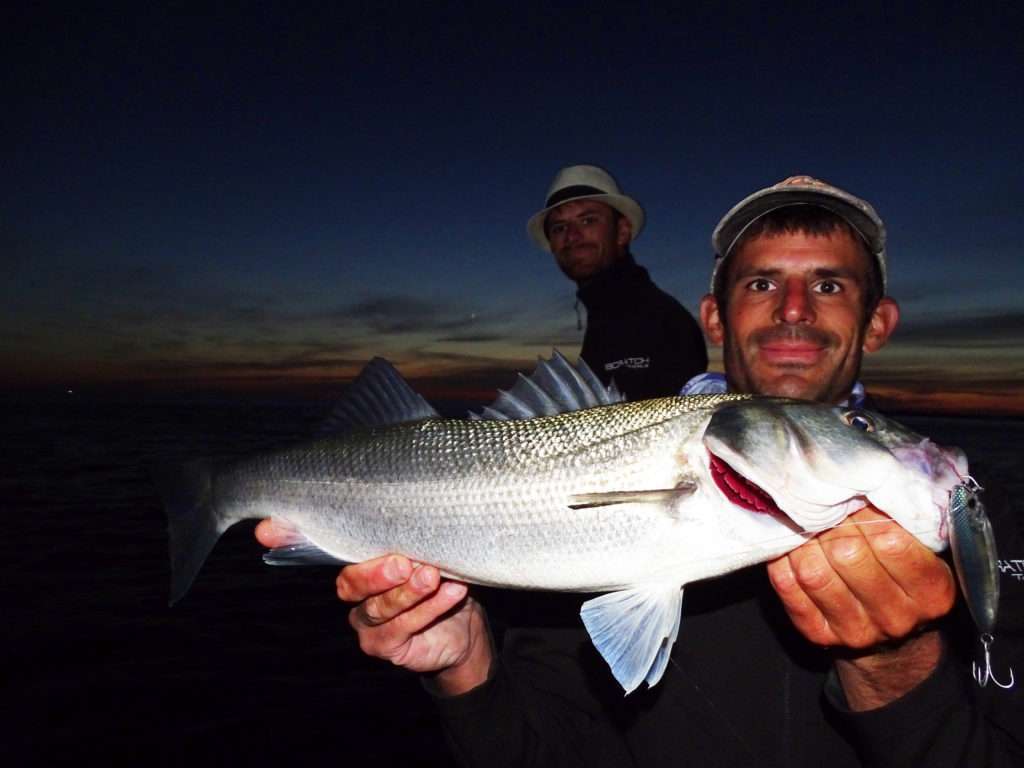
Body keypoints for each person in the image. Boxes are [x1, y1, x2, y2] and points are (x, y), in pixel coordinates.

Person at [256, 176, 1022, 766]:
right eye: (761, 283)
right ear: (714, 319)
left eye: (829, 283)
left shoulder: (990, 530)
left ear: (877, 323)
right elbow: (536, 750)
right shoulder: (643, 498)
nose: (793, 308)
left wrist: (897, 671)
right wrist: (466, 665)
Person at [526, 164, 707, 401]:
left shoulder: (659, 320)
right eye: (559, 227)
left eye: (588, 220)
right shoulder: (605, 317)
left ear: (622, 232)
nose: (571, 236)